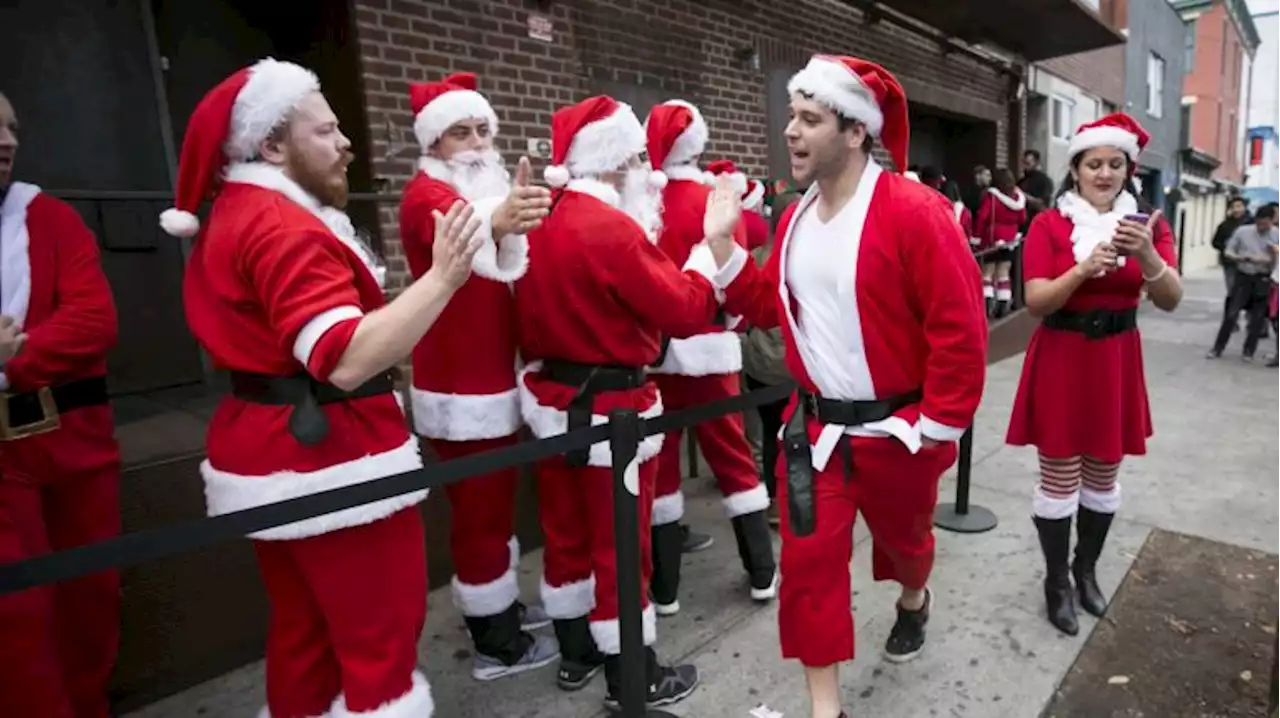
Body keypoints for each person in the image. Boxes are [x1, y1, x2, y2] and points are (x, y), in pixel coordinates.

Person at [161, 58, 486, 717]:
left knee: (304, 636)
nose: (347, 143)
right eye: (327, 130)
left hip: (275, 451)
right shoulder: (282, 228)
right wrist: (443, 279)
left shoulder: (243, 213)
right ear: (272, 145)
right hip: (333, 462)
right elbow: (343, 358)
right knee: (379, 645)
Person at [709, 55, 988, 718]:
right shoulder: (798, 219)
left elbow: (961, 333)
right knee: (808, 572)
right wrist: (721, 245)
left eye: (810, 119)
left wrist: (934, 432)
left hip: (899, 435)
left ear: (856, 130)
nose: (791, 132)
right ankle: (824, 708)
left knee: (907, 547)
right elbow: (767, 303)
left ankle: (914, 599)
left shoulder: (915, 213)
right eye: (791, 118)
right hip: (814, 438)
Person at [513, 95, 743, 709]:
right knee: (622, 545)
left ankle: (575, 654)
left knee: (563, 535)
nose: (652, 168)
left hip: (552, 401)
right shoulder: (611, 228)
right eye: (641, 155)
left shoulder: (550, 217)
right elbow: (687, 308)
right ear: (615, 161)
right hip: (612, 407)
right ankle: (632, 675)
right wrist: (707, 249)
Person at [397, 71, 559, 681]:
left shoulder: (464, 189)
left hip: (492, 376)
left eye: (482, 130)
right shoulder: (423, 197)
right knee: (480, 516)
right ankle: (496, 644)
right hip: (462, 388)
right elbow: (462, 225)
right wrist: (503, 215)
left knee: (492, 509)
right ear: (434, 142)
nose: (476, 143)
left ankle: (499, 608)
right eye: (460, 133)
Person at [1005, 113, 1182, 638]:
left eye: (1115, 164)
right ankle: (1056, 582)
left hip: (1116, 361)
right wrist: (1082, 270)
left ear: (1130, 170)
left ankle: (1086, 571)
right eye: (1093, 163)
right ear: (1076, 169)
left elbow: (1171, 299)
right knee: (1059, 480)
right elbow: (1035, 301)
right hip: (1062, 354)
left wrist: (1147, 254)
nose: (1104, 173)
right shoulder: (1049, 224)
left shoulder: (1149, 222)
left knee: (1103, 478)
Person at [0, 91, 122, 718]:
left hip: (70, 441)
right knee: (16, 617)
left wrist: (9, 361)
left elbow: (93, 319)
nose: (7, 140)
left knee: (87, 598)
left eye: (12, 127)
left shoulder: (50, 219)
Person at [642, 103, 777, 618]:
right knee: (736, 462)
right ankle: (762, 573)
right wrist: (730, 328)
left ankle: (666, 589)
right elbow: (736, 281)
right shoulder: (716, 200)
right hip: (712, 354)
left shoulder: (642, 203)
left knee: (660, 470)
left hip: (656, 357)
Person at [1207, 203, 1279, 361]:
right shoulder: (1243, 232)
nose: (1262, 227)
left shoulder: (1276, 234)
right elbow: (1228, 250)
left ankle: (1248, 351)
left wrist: (1270, 257)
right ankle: (1217, 348)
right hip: (1244, 275)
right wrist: (1240, 258)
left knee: (1257, 318)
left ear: (1271, 221)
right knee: (1231, 314)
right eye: (1260, 224)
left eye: (1266, 224)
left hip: (1263, 278)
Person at [976, 168, 1027, 318]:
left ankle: (987, 305)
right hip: (1011, 239)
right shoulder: (1018, 197)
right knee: (1004, 273)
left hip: (992, 239)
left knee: (988, 273)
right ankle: (1003, 304)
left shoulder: (992, 196)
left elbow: (982, 216)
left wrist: (976, 236)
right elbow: (1022, 218)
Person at [1211, 196, 1252, 332]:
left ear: (1244, 207)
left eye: (1239, 206)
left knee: (1250, 292)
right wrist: (1226, 247)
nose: (1237, 209)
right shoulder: (1225, 225)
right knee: (1232, 292)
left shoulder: (1251, 223)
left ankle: (1252, 319)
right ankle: (1231, 321)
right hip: (1230, 263)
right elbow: (1215, 242)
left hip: (1250, 263)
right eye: (1234, 206)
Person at [1018, 149, 1055, 227]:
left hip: (1038, 223)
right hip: (1022, 225)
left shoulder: (1045, 181)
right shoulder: (1021, 181)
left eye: (1028, 163)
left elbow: (1042, 205)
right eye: (1024, 163)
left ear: (1036, 163)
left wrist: (1024, 196)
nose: (1024, 166)